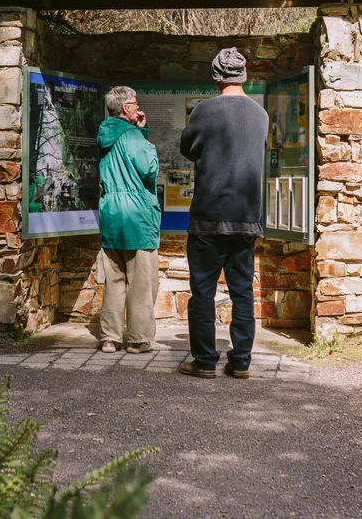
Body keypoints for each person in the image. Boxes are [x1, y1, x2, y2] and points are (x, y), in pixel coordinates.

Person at [177, 48, 269, 379]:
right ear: (244, 76)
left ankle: (204, 362)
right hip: (246, 219)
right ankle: (240, 362)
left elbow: (187, 147)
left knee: (203, 292)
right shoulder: (261, 115)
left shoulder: (204, 111)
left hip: (206, 218)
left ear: (216, 77)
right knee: (242, 291)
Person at [96, 85, 161, 354]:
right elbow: (149, 168)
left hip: (111, 214)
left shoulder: (106, 134)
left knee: (114, 280)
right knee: (141, 283)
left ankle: (109, 338)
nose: (138, 105)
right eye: (135, 102)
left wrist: (140, 131)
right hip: (136, 217)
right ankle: (138, 339)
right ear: (126, 108)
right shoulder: (132, 135)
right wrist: (147, 140)